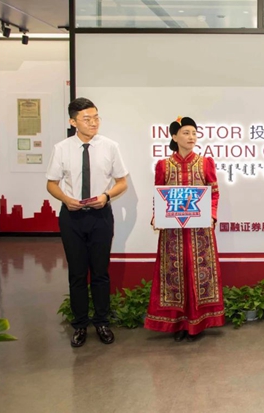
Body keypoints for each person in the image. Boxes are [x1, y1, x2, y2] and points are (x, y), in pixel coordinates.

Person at [46, 97, 129, 348]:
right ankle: (80, 325)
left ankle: (102, 322)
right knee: (77, 273)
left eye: (96, 117)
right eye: (87, 119)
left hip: (100, 216)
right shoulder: (62, 148)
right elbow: (51, 183)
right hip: (71, 216)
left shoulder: (110, 146)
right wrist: (65, 199)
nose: (93, 123)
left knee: (101, 272)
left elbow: (122, 182)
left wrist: (106, 196)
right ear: (73, 122)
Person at [144, 116, 224, 341]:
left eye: (194, 133)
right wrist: (156, 216)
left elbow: (214, 192)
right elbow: (159, 195)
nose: (191, 137)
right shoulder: (163, 165)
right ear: (174, 136)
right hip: (173, 232)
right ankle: (178, 324)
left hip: (200, 232)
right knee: (174, 275)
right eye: (186, 133)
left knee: (199, 274)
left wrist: (211, 215)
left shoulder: (205, 163)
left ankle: (198, 324)